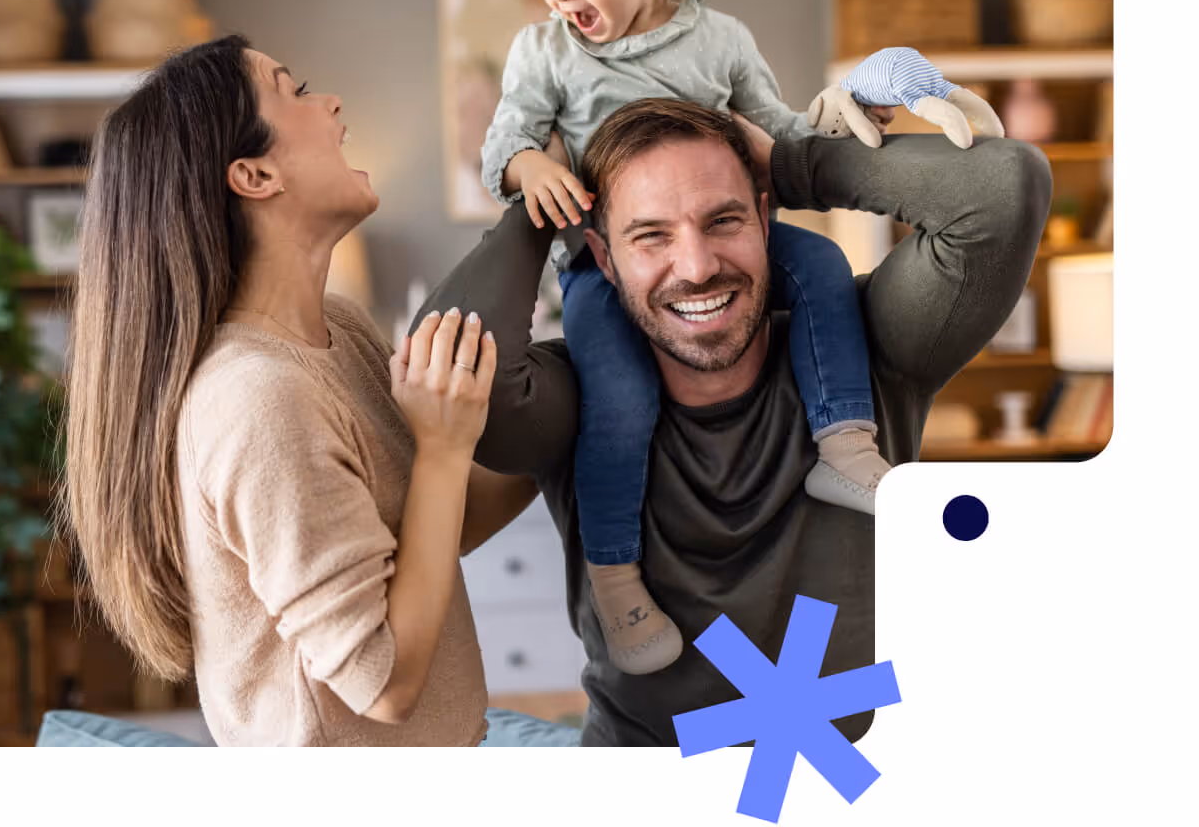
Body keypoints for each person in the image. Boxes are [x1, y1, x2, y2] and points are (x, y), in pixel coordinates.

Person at [422, 98, 1051, 746]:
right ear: (604, 261)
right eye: (650, 235)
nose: (696, 267)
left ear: (764, 220)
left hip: (848, 780)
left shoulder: (872, 349)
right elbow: (453, 356)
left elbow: (1004, 189)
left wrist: (796, 162)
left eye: (723, 220)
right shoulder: (572, 394)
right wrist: (539, 204)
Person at [479, 0, 899, 675]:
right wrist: (532, 169)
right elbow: (504, 143)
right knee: (621, 405)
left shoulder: (722, 42)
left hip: (722, 244)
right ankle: (617, 577)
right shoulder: (545, 53)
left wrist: (848, 119)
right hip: (609, 273)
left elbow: (782, 141)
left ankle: (844, 440)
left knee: (821, 264)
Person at [59, 35, 544, 746]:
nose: (333, 104)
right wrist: (442, 446)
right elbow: (385, 682)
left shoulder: (339, 333)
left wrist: (569, 423)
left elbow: (440, 527)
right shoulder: (258, 399)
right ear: (254, 175)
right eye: (295, 89)